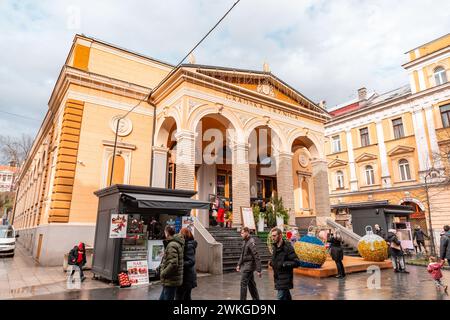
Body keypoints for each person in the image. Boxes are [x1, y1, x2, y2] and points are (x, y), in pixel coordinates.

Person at [269, 227, 300, 300]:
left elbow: (297, 262)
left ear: (280, 236)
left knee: (280, 297)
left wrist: (284, 264)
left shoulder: (288, 247)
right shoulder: (275, 247)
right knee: (286, 297)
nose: (272, 238)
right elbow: (275, 259)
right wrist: (271, 263)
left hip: (285, 278)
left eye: (274, 236)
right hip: (277, 277)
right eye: (272, 236)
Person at [159, 225, 185, 300]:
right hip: (170, 280)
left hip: (170, 279)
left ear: (166, 232)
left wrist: (163, 273)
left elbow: (173, 264)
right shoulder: (174, 243)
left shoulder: (172, 245)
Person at [236, 227, 261, 300]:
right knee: (251, 284)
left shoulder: (251, 242)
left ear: (247, 232)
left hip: (249, 267)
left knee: (243, 283)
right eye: (241, 233)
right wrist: (239, 264)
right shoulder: (245, 241)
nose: (241, 235)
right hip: (246, 265)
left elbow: (256, 256)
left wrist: (259, 269)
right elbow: (242, 254)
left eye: (242, 233)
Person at [176, 228, 197, 300]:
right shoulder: (187, 244)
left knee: (180, 296)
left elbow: (191, 261)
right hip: (187, 276)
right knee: (186, 296)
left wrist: (180, 264)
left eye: (180, 234)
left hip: (187, 277)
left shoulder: (188, 245)